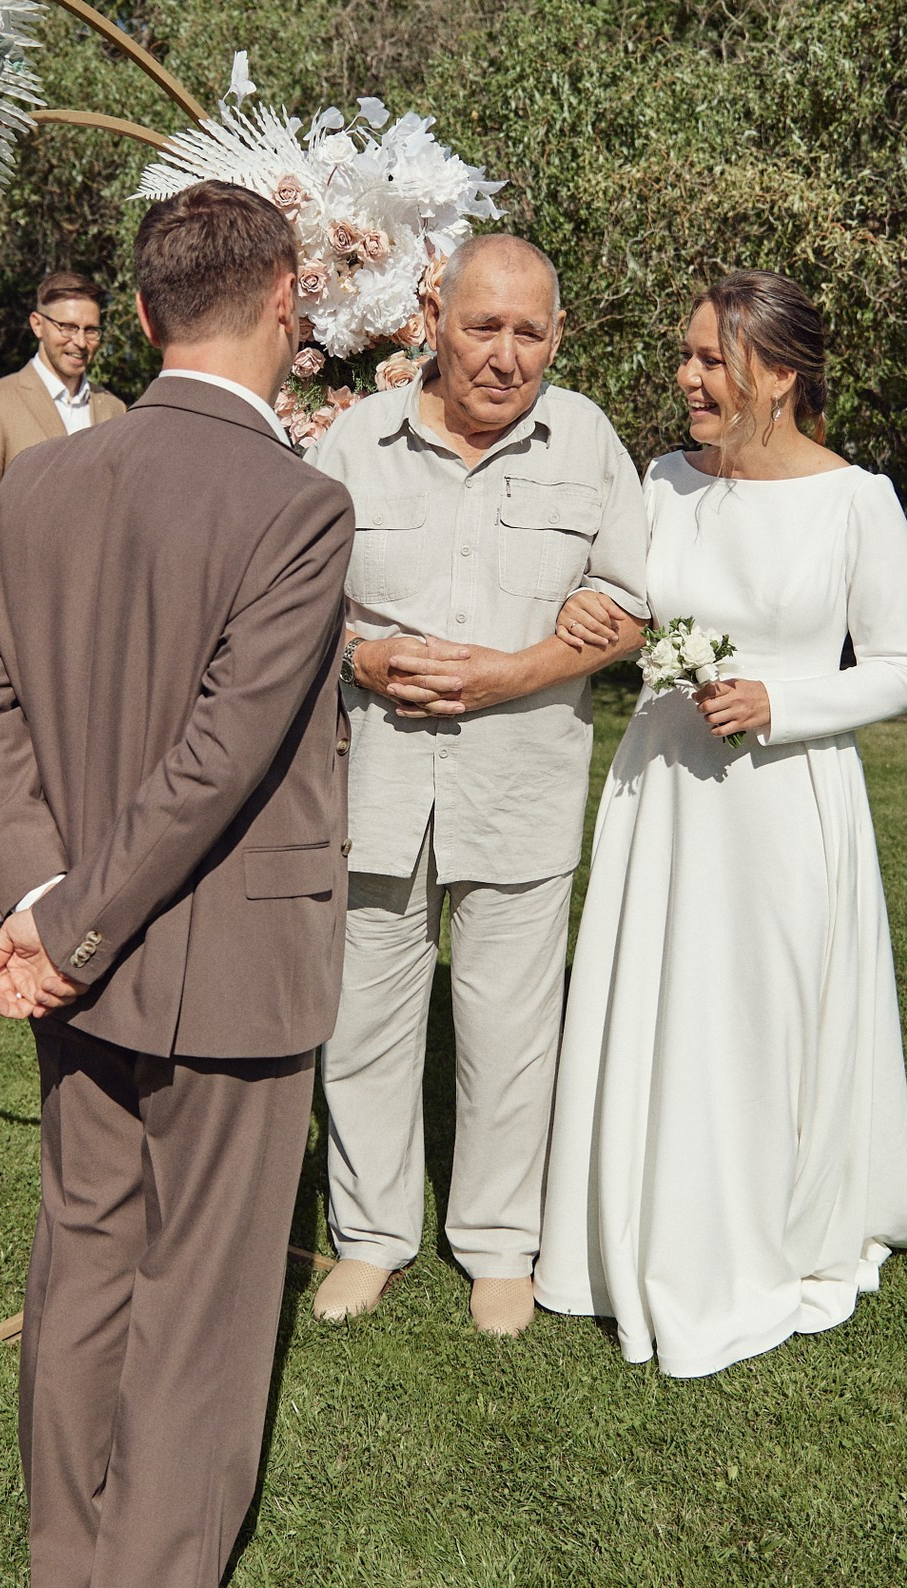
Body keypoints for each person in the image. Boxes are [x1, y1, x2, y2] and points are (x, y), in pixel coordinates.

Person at [0, 184, 349, 1588]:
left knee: (89, 1249)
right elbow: (223, 760)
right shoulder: (297, 500)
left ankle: (74, 1562)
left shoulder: (43, 486)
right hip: (228, 968)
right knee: (203, 1302)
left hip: (75, 963)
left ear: (150, 311)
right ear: (289, 296)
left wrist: (40, 904)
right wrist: (74, 917)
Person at [535, 270, 907, 1379]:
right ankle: (631, 1226)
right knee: (656, 1001)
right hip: (663, 792)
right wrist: (589, 609)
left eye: (712, 360)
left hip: (782, 805)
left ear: (780, 375)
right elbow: (619, 601)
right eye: (688, 355)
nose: (686, 378)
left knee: (761, 1018)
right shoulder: (661, 481)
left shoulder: (857, 500)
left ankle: (754, 1224)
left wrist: (783, 703)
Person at [304, 234, 649, 1337]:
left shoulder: (589, 441)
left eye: (529, 333)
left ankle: (499, 1243)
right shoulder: (353, 443)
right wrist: (360, 659)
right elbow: (287, 617)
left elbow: (630, 604)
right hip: (377, 787)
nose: (504, 357)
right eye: (482, 327)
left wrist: (518, 672)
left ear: (559, 335)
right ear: (432, 319)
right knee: (363, 1022)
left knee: (508, 1029)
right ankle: (370, 1235)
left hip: (520, 785)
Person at [0, 270, 130, 586]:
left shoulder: (115, 409)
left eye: (91, 330)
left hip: (100, 601)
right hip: (22, 597)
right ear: (37, 324)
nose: (80, 342)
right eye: (68, 327)